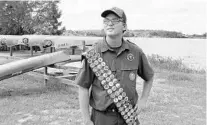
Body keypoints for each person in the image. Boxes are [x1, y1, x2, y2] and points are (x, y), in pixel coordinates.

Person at [75, 7, 154, 125]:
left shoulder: (135, 52)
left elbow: (149, 76)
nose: (110, 24)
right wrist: (86, 120)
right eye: (106, 21)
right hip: (102, 117)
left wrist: (143, 100)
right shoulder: (94, 53)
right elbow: (83, 87)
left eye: (115, 20)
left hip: (128, 116)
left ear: (124, 27)